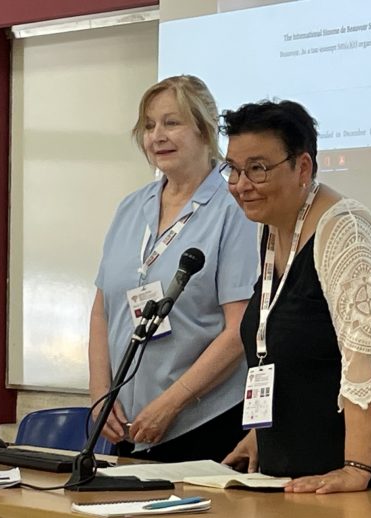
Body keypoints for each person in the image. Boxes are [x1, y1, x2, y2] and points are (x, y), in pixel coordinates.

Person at [220, 100, 371, 494]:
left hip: (355, 481)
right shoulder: (271, 228)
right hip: (293, 477)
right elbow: (285, 346)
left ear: (302, 167)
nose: (240, 184)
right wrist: (264, 434)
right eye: (233, 169)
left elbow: (367, 360)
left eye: (257, 168)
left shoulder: (346, 236)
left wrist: (356, 469)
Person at [88, 75, 257, 462]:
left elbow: (239, 329)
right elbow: (103, 310)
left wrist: (172, 403)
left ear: (204, 129)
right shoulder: (131, 208)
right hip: (130, 423)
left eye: (171, 122)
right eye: (148, 126)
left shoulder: (235, 208)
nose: (157, 135)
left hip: (203, 422)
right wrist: (102, 392)